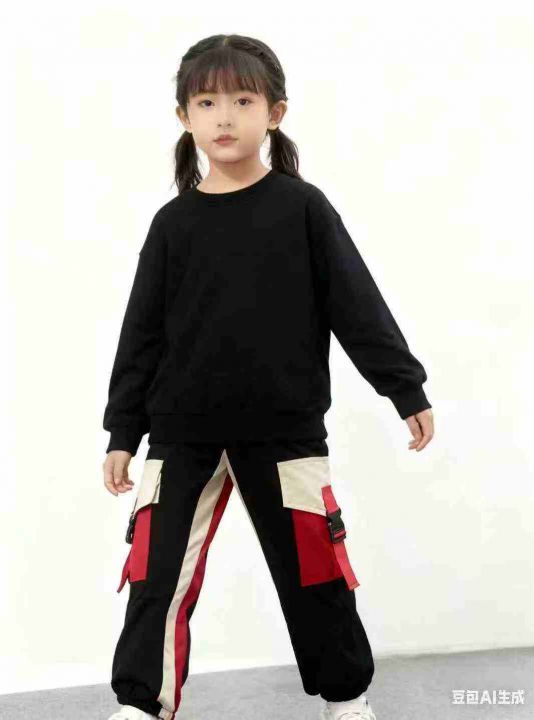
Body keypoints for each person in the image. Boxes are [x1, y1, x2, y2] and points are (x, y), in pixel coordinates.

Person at [102, 33, 434, 720]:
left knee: (316, 573)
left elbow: (355, 304)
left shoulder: (302, 209)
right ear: (184, 117)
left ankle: (346, 699)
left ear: (275, 113)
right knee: (155, 578)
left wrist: (403, 386)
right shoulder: (172, 225)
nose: (224, 116)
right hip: (181, 432)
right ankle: (142, 703)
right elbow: (142, 336)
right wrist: (122, 433)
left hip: (283, 431)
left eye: (242, 100)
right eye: (206, 102)